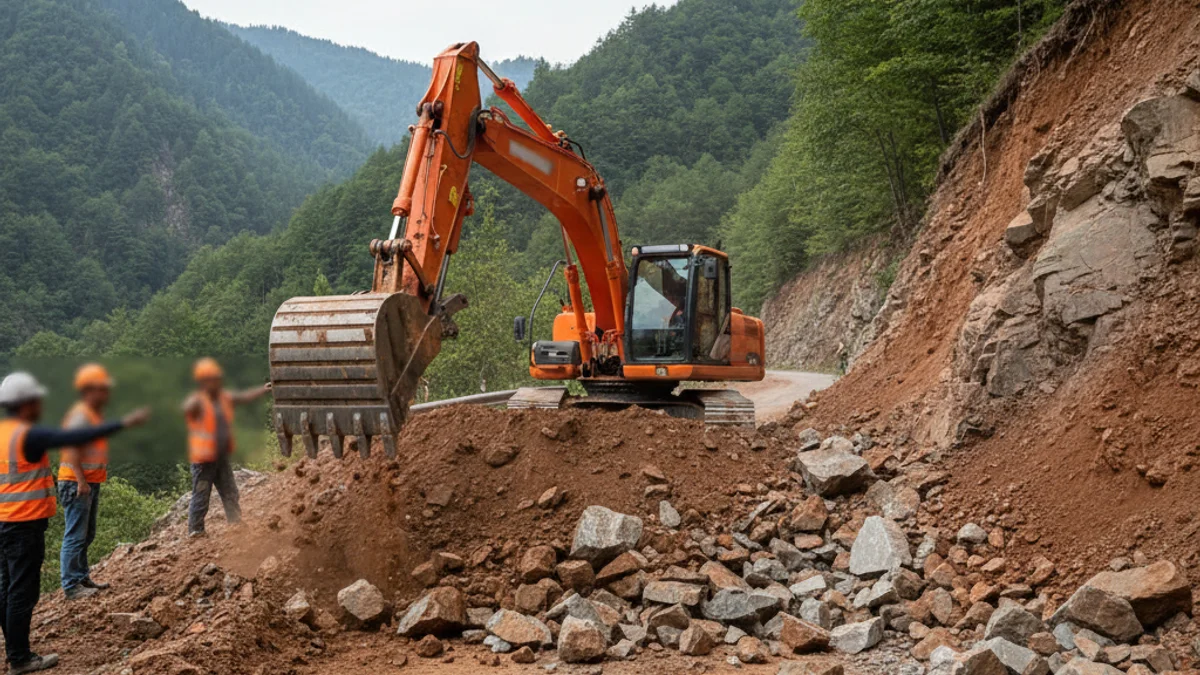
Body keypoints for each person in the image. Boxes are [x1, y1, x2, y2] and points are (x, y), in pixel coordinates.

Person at [0, 372, 149, 674]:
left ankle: (15, 652)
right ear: (26, 403)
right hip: (24, 523)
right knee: (21, 593)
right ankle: (20, 658)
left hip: (5, 522)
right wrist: (124, 423)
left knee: (6, 588)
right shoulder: (28, 434)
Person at [183, 358, 271, 537]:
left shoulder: (223, 398)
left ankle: (235, 522)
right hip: (203, 461)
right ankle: (196, 530)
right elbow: (187, 408)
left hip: (220, 458)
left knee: (230, 492)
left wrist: (263, 390)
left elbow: (243, 397)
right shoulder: (197, 401)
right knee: (201, 495)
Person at [58, 364, 118, 600]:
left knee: (87, 534)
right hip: (77, 483)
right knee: (75, 535)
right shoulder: (81, 415)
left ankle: (81, 576)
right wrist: (81, 482)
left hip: (89, 482)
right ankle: (71, 585)